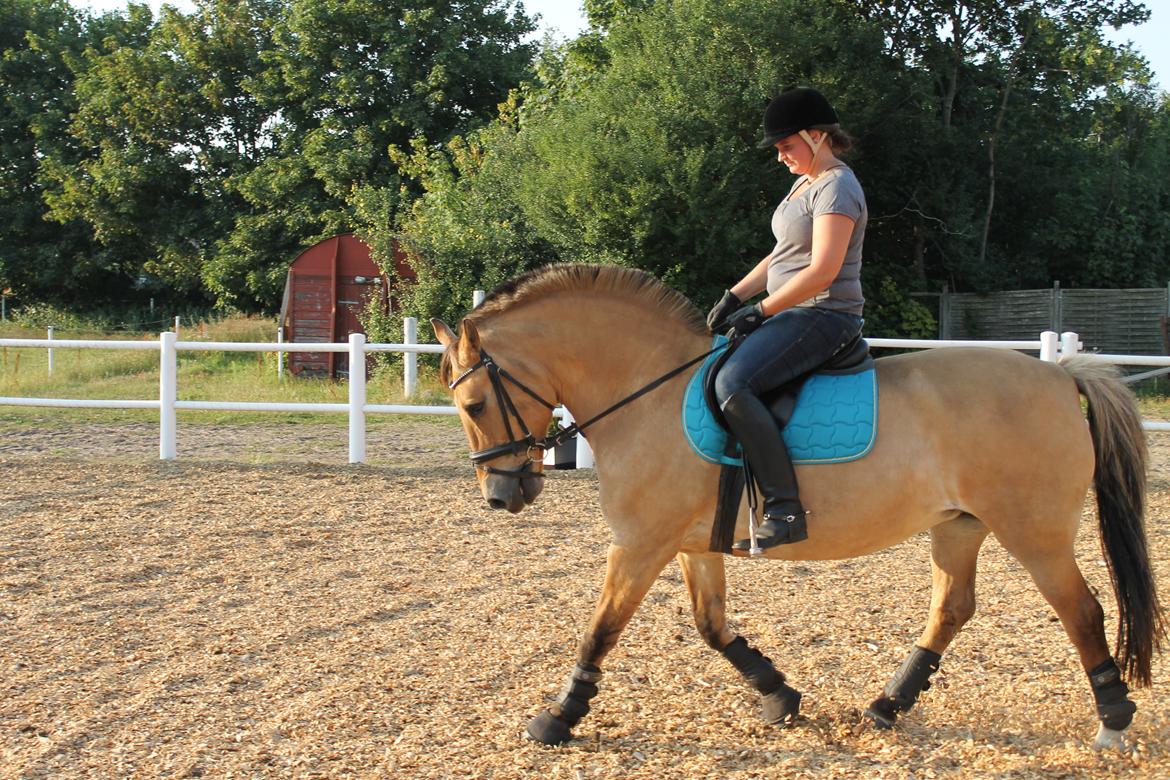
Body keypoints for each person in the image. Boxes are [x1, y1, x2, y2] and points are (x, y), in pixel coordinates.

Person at [706, 86, 867, 551]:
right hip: (790, 311)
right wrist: (735, 295)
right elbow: (783, 255)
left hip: (824, 314)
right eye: (778, 149)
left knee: (733, 384)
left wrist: (761, 311)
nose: (780, 157)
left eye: (786, 146)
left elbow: (822, 271)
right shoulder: (805, 183)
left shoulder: (838, 185)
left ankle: (785, 509)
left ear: (816, 136)